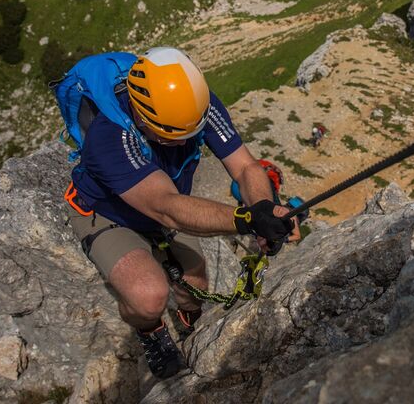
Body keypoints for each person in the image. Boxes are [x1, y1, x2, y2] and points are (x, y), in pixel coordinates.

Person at [61, 47, 300, 379]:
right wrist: (245, 221)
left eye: (190, 134)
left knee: (194, 283)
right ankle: (150, 331)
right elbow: (166, 208)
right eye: (171, 137)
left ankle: (190, 318)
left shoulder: (194, 107)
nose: (184, 142)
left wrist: (263, 208)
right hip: (108, 213)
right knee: (148, 296)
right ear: (142, 116)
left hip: (169, 200)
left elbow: (245, 167)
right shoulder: (110, 137)